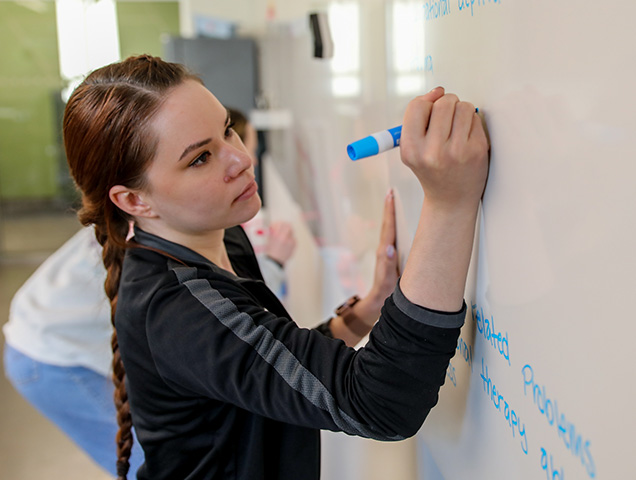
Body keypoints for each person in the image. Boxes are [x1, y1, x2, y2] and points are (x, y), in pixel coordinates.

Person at [62, 54, 488, 480]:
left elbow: (263, 366)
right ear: (134, 201)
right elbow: (380, 403)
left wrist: (369, 307)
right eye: (200, 159)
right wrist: (449, 203)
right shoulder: (176, 309)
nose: (240, 159)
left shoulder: (223, 232)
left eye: (227, 129)